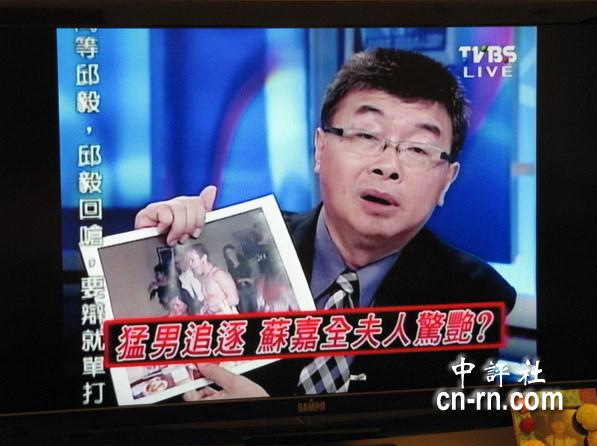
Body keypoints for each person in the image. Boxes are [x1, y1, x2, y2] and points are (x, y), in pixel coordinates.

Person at [135, 48, 516, 399]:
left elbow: (454, 434)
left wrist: (268, 425)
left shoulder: (475, 295)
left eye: (418, 149)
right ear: (319, 149)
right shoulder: (241, 248)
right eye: (366, 135)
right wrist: (153, 247)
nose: (388, 166)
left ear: (447, 181)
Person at [183, 243, 240, 315]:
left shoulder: (219, 274)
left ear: (204, 258)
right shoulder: (204, 278)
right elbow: (210, 301)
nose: (191, 265)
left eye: (192, 260)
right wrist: (205, 308)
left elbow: (235, 299)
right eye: (189, 261)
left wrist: (216, 308)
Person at [223, 244, 258, 313]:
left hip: (251, 288)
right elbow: (234, 281)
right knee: (245, 311)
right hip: (240, 291)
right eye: (227, 254)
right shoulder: (230, 268)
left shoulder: (244, 262)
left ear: (234, 251)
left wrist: (243, 280)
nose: (230, 254)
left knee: (256, 308)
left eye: (230, 252)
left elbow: (253, 277)